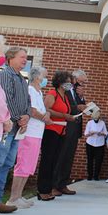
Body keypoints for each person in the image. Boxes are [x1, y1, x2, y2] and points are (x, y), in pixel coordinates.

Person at [7, 67, 52, 209]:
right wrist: (44, 118)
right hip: (29, 132)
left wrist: (47, 115)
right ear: (37, 77)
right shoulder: (30, 90)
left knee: (29, 166)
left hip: (38, 133)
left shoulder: (39, 92)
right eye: (44, 76)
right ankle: (13, 198)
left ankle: (19, 196)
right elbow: (31, 110)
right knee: (23, 164)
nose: (46, 78)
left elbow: (44, 110)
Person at [0, 47, 31, 214]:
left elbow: (28, 101)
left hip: (18, 128)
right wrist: (19, 117)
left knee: (8, 164)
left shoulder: (21, 78)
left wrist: (27, 115)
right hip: (7, 127)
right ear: (10, 58)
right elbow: (6, 100)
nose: (25, 60)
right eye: (22, 57)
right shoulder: (5, 75)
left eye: (26, 58)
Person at [37, 70, 76, 201]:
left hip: (61, 131)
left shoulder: (65, 96)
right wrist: (64, 116)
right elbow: (46, 109)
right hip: (51, 130)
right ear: (60, 82)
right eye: (68, 82)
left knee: (54, 161)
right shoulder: (52, 93)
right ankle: (42, 190)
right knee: (47, 161)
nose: (70, 85)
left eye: (71, 83)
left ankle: (49, 189)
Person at [53, 69, 87, 195]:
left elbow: (81, 108)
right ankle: (54, 185)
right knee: (60, 157)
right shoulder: (65, 90)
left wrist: (81, 97)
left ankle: (63, 184)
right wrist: (77, 107)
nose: (82, 84)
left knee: (69, 158)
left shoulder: (77, 92)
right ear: (74, 78)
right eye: (81, 81)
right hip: (66, 127)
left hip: (75, 128)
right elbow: (65, 107)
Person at [84, 110, 107, 181]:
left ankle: (96, 176)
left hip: (100, 144)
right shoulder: (89, 123)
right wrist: (91, 133)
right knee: (90, 160)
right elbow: (86, 134)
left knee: (99, 161)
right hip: (90, 143)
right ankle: (90, 175)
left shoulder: (102, 123)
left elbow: (106, 133)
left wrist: (101, 133)